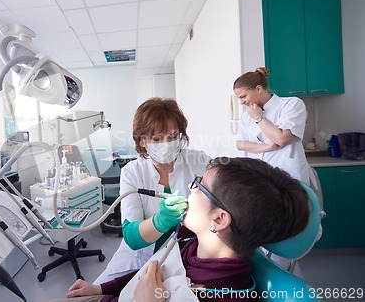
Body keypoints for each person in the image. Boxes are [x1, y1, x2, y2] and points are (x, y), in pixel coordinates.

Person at [53, 157, 310, 302]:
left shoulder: (230, 295)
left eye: (199, 185)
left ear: (219, 220)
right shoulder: (190, 241)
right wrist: (101, 289)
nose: (191, 188)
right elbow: (151, 270)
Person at [93, 97, 211, 284]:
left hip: (188, 253)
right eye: (157, 138)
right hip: (138, 258)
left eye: (173, 137)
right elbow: (132, 237)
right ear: (143, 142)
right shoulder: (132, 172)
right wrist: (161, 221)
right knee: (94, 293)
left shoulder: (199, 161)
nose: (167, 143)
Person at [233, 67, 316, 188]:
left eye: (243, 96)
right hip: (259, 177)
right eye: (239, 98)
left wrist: (259, 118)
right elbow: (240, 144)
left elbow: (282, 139)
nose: (241, 102)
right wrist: (267, 147)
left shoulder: (291, 104)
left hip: (289, 177)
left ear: (258, 89)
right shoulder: (246, 116)